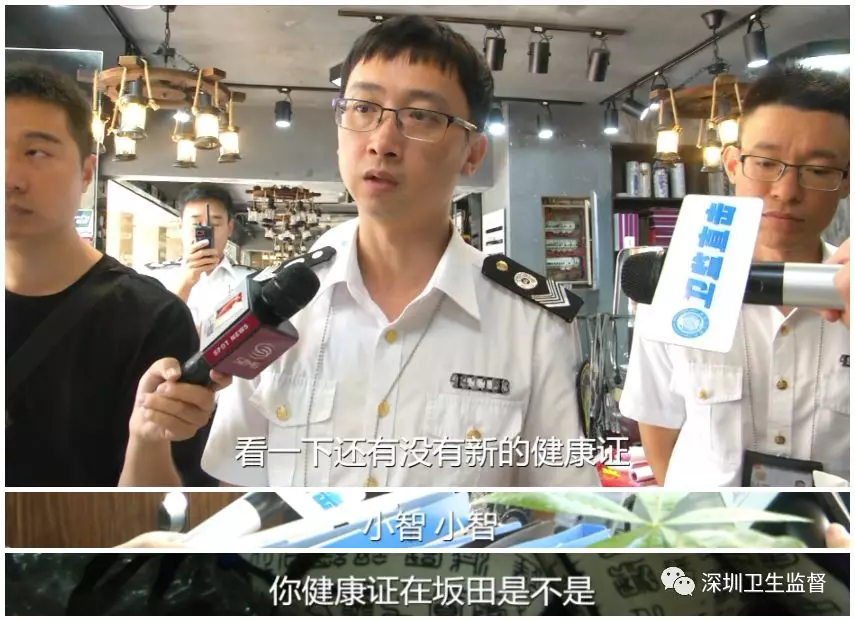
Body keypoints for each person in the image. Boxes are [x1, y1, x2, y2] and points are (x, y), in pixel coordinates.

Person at [202, 15, 600, 487]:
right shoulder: (274, 305)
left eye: (421, 116)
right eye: (363, 108)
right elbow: (237, 487)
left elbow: (562, 511)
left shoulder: (532, 325)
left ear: (473, 153)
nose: (383, 142)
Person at [621, 65, 850, 487]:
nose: (786, 191)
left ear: (846, 182)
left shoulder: (846, 293)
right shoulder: (676, 287)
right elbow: (658, 423)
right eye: (765, 163)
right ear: (732, 164)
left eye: (819, 171)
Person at [5, 63, 226, 486]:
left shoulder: (152, 319)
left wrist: (147, 439)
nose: (10, 177)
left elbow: (161, 509)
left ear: (86, 173)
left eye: (36, 153)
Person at [142, 182, 255, 329]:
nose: (206, 233)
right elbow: (143, 331)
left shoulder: (249, 282)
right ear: (181, 226)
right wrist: (185, 284)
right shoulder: (151, 279)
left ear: (230, 228)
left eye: (215, 224)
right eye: (196, 224)